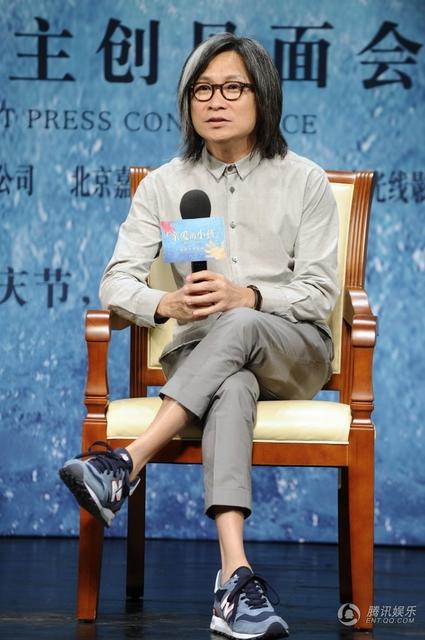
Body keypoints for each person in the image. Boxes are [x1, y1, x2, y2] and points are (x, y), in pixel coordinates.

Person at [59, 32, 339, 640]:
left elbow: (321, 294)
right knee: (230, 384)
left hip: (293, 353)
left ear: (263, 96)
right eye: (202, 90)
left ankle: (125, 461)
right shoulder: (164, 185)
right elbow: (115, 283)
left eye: (232, 87)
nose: (215, 101)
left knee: (239, 321)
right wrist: (164, 302)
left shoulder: (305, 181)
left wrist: (250, 297)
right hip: (206, 360)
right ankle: (235, 580)